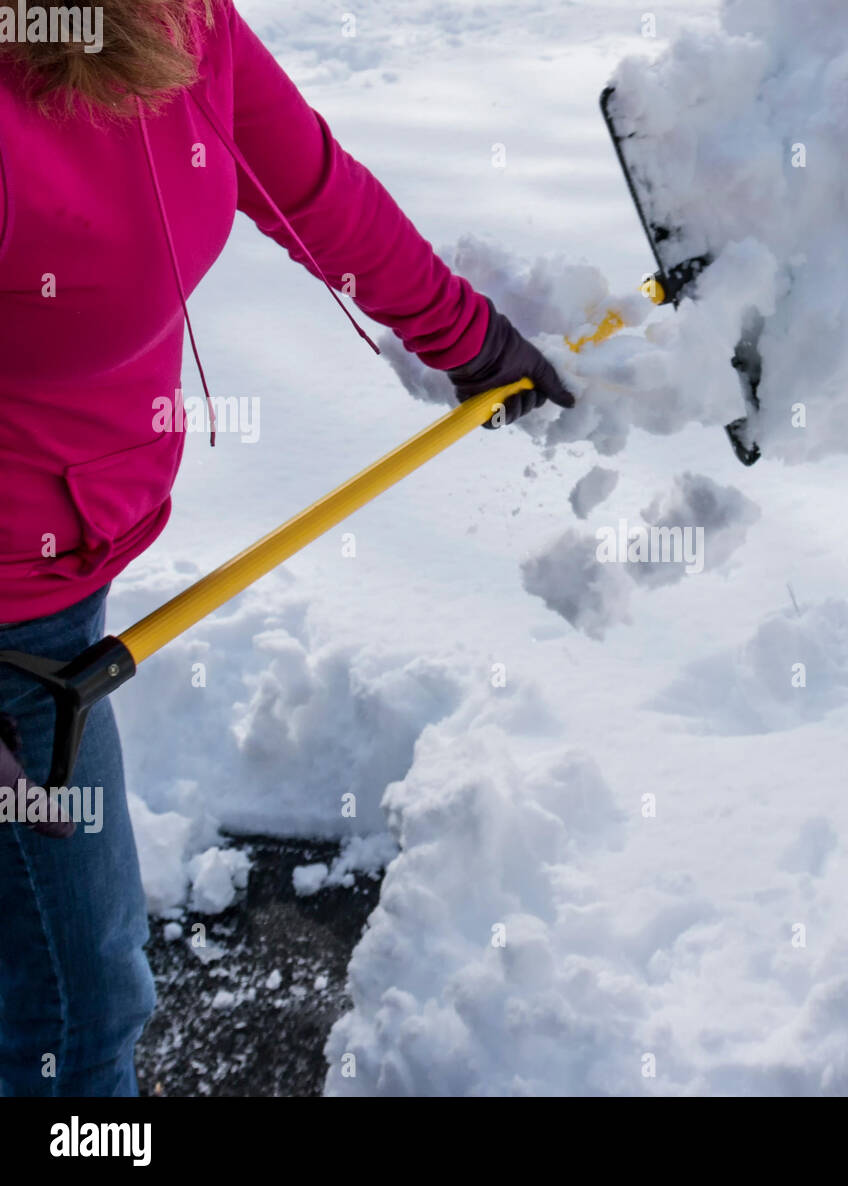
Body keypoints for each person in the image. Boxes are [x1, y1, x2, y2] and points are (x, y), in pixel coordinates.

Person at [0, 0, 574, 1096]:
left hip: (66, 580)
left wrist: (468, 338)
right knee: (77, 1010)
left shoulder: (178, 17)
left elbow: (306, 188)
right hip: (12, 644)